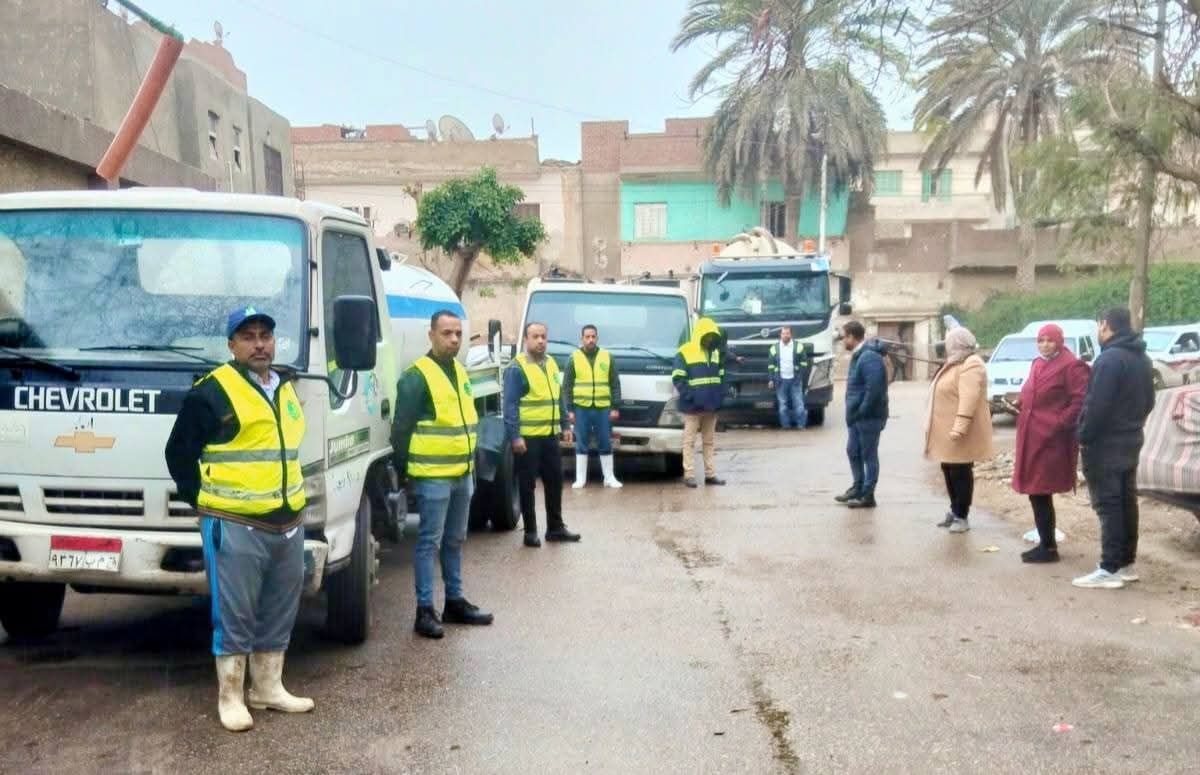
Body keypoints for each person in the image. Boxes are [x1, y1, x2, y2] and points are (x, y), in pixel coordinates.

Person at [165, 307, 313, 732]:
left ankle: (267, 688)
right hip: (233, 521)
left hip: (286, 521)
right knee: (235, 613)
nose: (260, 343)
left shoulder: (283, 386)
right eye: (248, 336)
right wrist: (205, 504)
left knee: (279, 608)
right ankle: (230, 696)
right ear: (232, 345)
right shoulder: (211, 392)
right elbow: (178, 455)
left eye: (265, 334)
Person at [390, 310, 494, 639]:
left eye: (458, 334)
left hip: (462, 473)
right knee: (428, 543)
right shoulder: (416, 377)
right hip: (432, 475)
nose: (453, 339)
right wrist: (406, 473)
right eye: (446, 333)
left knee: (455, 540)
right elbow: (400, 431)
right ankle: (424, 610)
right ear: (431, 335)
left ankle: (454, 602)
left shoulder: (460, 373)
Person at [1072, 307, 1156, 589]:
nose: (1098, 330)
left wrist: (1083, 434)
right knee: (1125, 502)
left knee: (1109, 504)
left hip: (1105, 445)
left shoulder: (1108, 360)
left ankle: (1109, 567)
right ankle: (1125, 563)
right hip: (1131, 439)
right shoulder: (1141, 357)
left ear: (1106, 325)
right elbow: (1149, 402)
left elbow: (1097, 406)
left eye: (1099, 325)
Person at [1011, 324, 1091, 563]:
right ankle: (1046, 543)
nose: (1044, 344)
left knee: (1040, 489)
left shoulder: (1071, 365)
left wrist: (1057, 424)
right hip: (1032, 436)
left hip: (1051, 439)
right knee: (1035, 492)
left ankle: (1048, 548)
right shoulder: (1037, 363)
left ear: (1060, 341)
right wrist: (1021, 400)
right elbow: (1032, 391)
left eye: (1049, 340)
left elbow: (1079, 401)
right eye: (1041, 340)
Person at [504, 322, 582, 547]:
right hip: (527, 438)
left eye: (543, 337)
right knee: (527, 485)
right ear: (526, 340)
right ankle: (530, 532)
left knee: (555, 480)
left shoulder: (551, 363)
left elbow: (558, 398)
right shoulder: (516, 368)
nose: (540, 341)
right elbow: (510, 406)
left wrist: (565, 425)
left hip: (549, 435)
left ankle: (555, 528)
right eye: (535, 336)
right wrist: (515, 436)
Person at [925, 327, 993, 533]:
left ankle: (962, 516)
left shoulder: (972, 364)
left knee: (960, 472)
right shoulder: (956, 362)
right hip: (946, 432)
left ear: (959, 343)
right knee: (948, 470)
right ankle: (954, 510)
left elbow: (968, 400)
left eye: (950, 342)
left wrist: (960, 428)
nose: (946, 346)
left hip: (959, 432)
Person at [562, 324, 622, 489]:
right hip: (581, 408)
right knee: (581, 442)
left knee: (605, 441)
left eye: (593, 336)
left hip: (603, 408)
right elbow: (566, 386)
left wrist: (615, 406)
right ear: (581, 338)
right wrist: (570, 410)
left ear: (597, 338)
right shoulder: (574, 358)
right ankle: (580, 479)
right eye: (587, 337)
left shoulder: (607, 357)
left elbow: (615, 384)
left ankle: (609, 478)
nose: (590, 340)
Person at [836, 321, 888, 508]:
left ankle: (868, 495)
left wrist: (861, 411)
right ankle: (857, 486)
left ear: (851, 336)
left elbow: (874, 390)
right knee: (853, 451)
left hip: (867, 417)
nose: (842, 341)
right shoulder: (859, 355)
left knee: (869, 455)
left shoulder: (868, 357)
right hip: (856, 417)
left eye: (844, 337)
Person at [673, 317, 727, 488]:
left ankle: (710, 475)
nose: (710, 339)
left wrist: (720, 396)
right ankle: (689, 474)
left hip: (711, 407)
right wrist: (691, 397)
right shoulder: (685, 351)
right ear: (700, 334)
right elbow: (678, 377)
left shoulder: (715, 353)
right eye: (708, 335)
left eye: (713, 336)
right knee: (689, 442)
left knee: (709, 442)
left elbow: (721, 375)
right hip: (693, 408)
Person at [768, 326, 810, 429]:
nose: (785, 335)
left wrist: (799, 376)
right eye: (783, 333)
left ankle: (801, 425)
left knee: (799, 404)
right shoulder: (774, 348)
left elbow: (804, 363)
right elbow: (770, 366)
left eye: (787, 333)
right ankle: (785, 427)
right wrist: (771, 379)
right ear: (780, 335)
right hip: (780, 381)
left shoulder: (799, 347)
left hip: (795, 380)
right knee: (783, 406)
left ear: (791, 334)